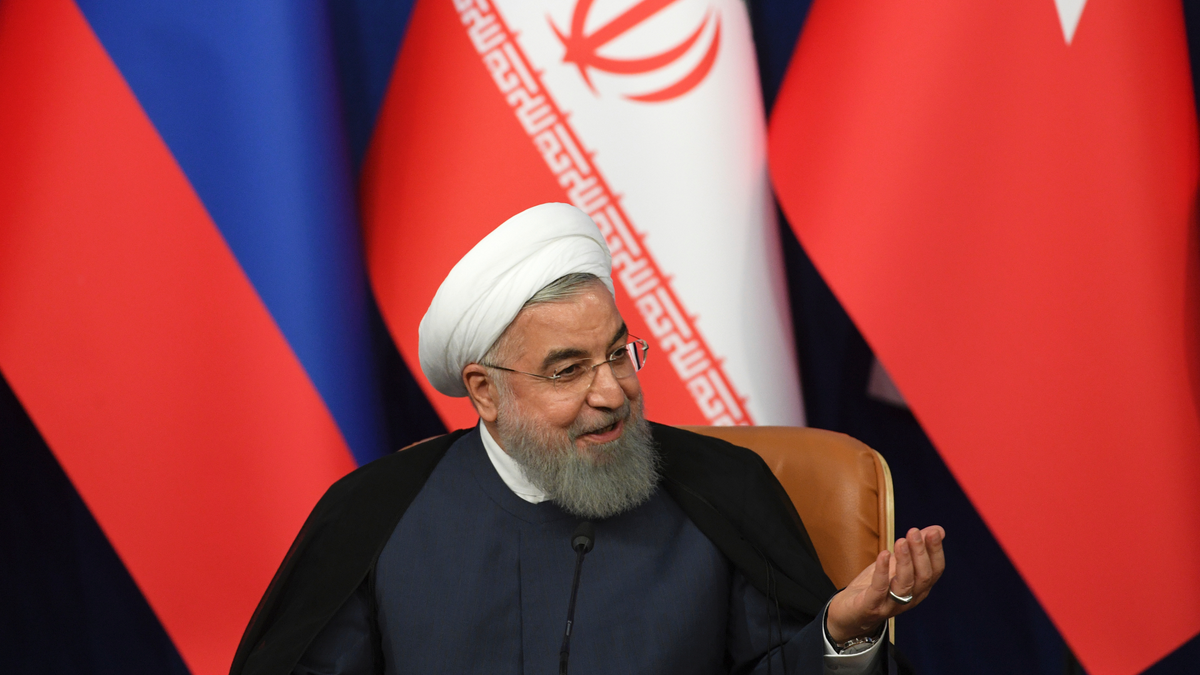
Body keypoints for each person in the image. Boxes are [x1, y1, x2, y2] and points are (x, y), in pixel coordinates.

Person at [230, 203, 945, 675]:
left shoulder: (721, 492)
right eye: (568, 370)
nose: (611, 391)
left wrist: (841, 633)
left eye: (618, 353)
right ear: (485, 392)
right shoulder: (376, 516)